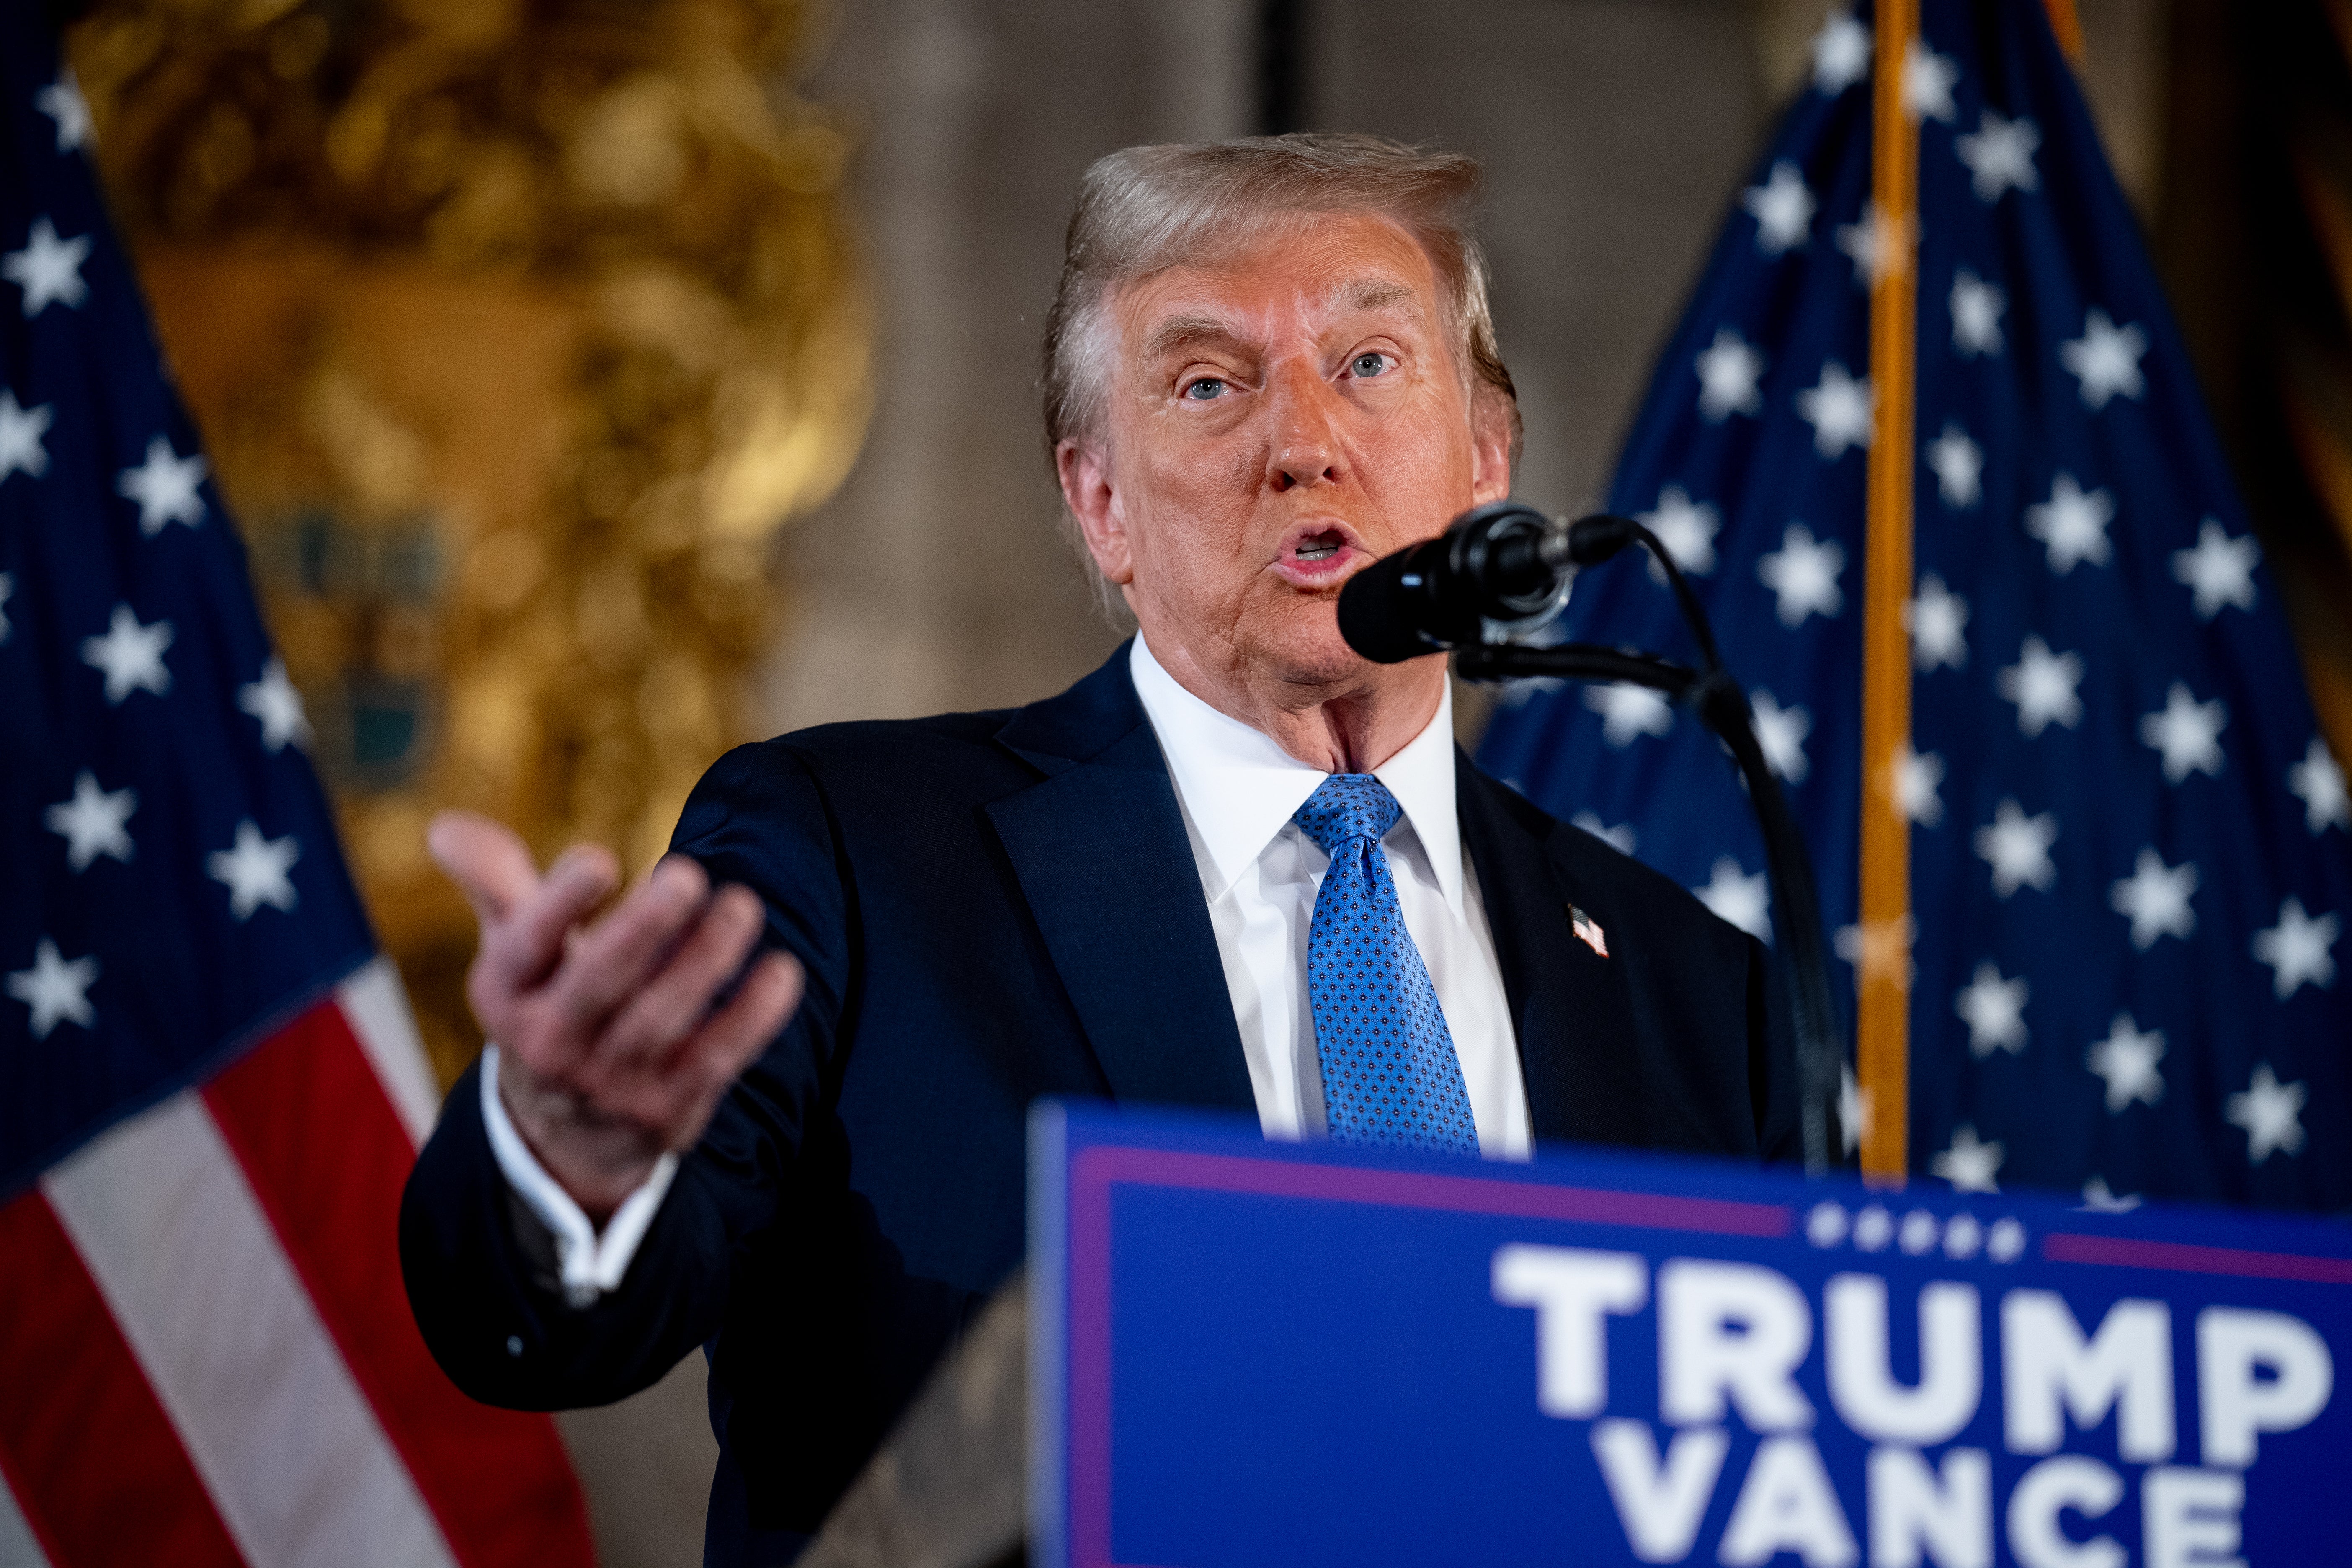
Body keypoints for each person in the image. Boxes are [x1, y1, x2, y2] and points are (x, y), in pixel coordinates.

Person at [400, 132, 1796, 1565]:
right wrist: (566, 1167)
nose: (1305, 441)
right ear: (1101, 502)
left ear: (1488, 458)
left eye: (1371, 364)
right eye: (1208, 384)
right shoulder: (850, 855)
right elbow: (564, 1331)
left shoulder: (1704, 997)